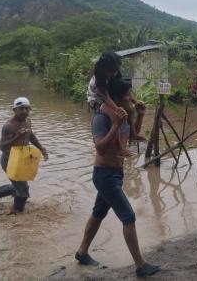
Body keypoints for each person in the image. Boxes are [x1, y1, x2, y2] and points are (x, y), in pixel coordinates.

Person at [75, 77, 160, 278]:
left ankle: (81, 252)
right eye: (126, 95)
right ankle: (140, 265)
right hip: (104, 175)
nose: (130, 98)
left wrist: (139, 115)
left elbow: (132, 136)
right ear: (114, 97)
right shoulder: (101, 117)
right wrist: (116, 124)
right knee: (128, 216)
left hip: (116, 173)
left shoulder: (124, 114)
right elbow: (101, 148)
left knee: (98, 214)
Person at [0, 97, 49, 213]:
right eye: (21, 109)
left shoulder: (28, 121)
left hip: (22, 158)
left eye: (26, 108)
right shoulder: (8, 126)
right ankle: (16, 213)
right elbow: (2, 147)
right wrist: (16, 137)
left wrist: (41, 148)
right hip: (9, 159)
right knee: (23, 190)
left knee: (18, 187)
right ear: (14, 110)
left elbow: (31, 135)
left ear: (30, 109)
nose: (24, 111)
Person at [87, 53, 146, 143]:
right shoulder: (98, 81)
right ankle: (120, 147)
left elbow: (125, 92)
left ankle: (133, 136)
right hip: (96, 99)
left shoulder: (114, 75)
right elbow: (105, 97)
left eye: (116, 70)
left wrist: (136, 103)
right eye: (112, 71)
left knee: (129, 111)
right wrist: (116, 109)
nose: (115, 73)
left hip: (110, 96)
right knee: (115, 114)